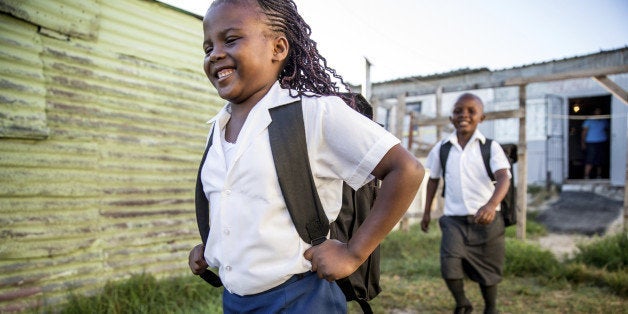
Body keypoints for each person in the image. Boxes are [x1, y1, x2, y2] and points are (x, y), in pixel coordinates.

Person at [187, 0, 425, 312]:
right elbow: (245, 200)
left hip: (300, 297)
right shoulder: (218, 127)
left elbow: (406, 170)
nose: (215, 53)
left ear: (278, 47)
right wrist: (215, 246)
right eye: (208, 47)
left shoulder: (314, 113)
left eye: (230, 39)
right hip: (234, 300)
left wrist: (353, 253)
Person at [420, 93, 511, 314]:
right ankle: (462, 304)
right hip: (454, 220)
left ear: (482, 117)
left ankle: (491, 308)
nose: (464, 115)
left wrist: (491, 205)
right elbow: (433, 180)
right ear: (451, 117)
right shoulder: (442, 148)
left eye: (471, 111)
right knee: (449, 266)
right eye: (459, 110)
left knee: (489, 272)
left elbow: (504, 178)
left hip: (487, 221)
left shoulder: (490, 147)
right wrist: (426, 212)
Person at [581, 107, 609, 179]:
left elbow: (608, 130)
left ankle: (599, 175)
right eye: (597, 111)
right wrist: (583, 143)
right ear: (594, 112)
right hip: (591, 142)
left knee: (600, 159)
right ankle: (586, 175)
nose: (598, 113)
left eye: (599, 111)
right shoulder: (589, 121)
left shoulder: (604, 121)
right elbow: (584, 132)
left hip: (602, 142)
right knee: (590, 159)